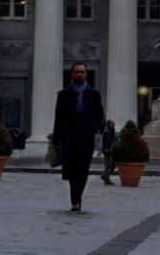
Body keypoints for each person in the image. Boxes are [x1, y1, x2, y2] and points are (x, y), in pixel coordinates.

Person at [52, 61, 104, 212]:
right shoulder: (63, 94)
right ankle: (75, 198)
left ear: (86, 74)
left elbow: (100, 114)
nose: (79, 74)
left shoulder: (93, 94)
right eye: (77, 72)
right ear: (72, 74)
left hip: (86, 137)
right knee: (71, 169)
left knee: (83, 169)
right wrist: (56, 140)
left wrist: (96, 128)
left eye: (82, 72)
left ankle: (76, 199)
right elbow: (58, 118)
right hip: (69, 137)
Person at [100, 119, 116, 185]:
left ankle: (104, 176)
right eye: (112, 123)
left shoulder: (112, 131)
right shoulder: (107, 132)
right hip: (108, 150)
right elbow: (107, 141)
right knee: (108, 166)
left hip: (111, 150)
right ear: (109, 124)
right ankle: (107, 179)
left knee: (112, 165)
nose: (114, 124)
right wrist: (108, 149)